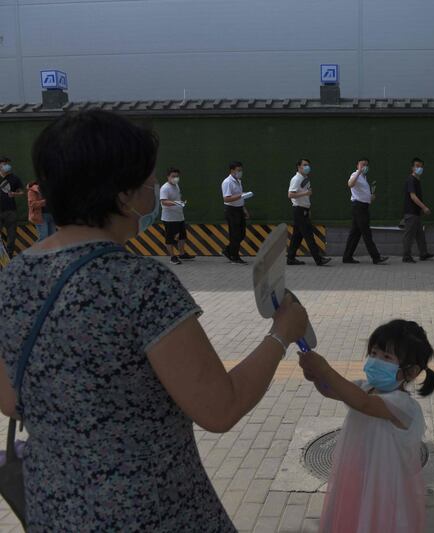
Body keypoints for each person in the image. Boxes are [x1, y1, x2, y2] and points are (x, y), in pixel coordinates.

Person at [0, 110, 310, 531]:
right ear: (124, 195)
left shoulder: (12, 278)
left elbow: (10, 399)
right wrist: (281, 334)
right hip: (152, 510)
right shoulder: (140, 284)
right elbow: (220, 408)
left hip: (55, 508)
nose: (154, 185)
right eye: (148, 179)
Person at [298, 319, 434, 533]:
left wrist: (325, 369)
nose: (376, 361)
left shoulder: (403, 406)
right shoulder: (365, 388)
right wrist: (317, 377)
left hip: (385, 490)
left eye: (386, 357)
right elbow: (331, 390)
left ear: (411, 372)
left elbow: (363, 403)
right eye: (373, 353)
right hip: (356, 478)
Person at [286, 159, 331, 266]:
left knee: (297, 236)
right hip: (299, 210)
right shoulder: (296, 179)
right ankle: (318, 259)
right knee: (308, 235)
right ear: (299, 167)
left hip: (303, 210)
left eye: (308, 165)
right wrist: (306, 193)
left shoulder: (304, 178)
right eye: (305, 165)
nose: (307, 167)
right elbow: (290, 195)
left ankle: (290, 258)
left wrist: (308, 209)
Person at [343, 158, 388, 265]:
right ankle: (376, 257)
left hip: (362, 207)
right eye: (362, 164)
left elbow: (361, 193)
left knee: (355, 234)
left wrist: (370, 197)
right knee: (366, 233)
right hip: (359, 208)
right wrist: (358, 171)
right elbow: (350, 184)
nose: (365, 167)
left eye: (366, 165)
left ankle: (347, 257)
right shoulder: (355, 174)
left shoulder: (364, 177)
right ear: (357, 165)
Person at [402, 158, 434, 263]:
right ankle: (406, 256)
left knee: (420, 234)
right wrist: (424, 207)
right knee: (409, 235)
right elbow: (413, 196)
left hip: (416, 213)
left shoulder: (417, 180)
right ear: (412, 168)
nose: (419, 168)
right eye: (417, 166)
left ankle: (423, 253)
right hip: (411, 213)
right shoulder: (411, 179)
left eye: (421, 166)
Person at [160, 167, 193, 265]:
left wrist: (179, 203)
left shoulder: (176, 185)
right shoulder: (165, 188)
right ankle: (172, 257)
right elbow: (164, 201)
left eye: (177, 176)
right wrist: (176, 203)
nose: (175, 178)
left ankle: (182, 254)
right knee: (170, 238)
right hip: (169, 218)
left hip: (179, 216)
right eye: (173, 176)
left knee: (182, 236)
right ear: (168, 177)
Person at [221, 161, 252, 265]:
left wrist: (244, 209)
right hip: (231, 210)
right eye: (238, 170)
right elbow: (226, 198)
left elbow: (239, 197)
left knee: (242, 234)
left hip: (239, 209)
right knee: (235, 234)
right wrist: (242, 196)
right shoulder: (227, 182)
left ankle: (228, 250)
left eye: (241, 170)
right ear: (232, 170)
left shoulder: (238, 181)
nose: (240, 172)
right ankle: (234, 256)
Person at [0, 157, 24, 257]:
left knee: (12, 235)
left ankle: (9, 255)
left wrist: (15, 194)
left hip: (11, 211)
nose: (6, 166)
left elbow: (21, 191)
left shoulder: (14, 178)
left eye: (7, 164)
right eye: (4, 164)